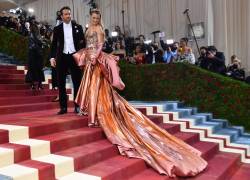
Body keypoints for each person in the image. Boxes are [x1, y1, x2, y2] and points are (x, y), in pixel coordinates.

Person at [73, 9, 207, 178]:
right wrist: (88, 56)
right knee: (94, 88)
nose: (95, 20)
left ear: (100, 19)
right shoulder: (88, 30)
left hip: (96, 60)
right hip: (91, 60)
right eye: (93, 17)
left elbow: (99, 46)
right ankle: (94, 113)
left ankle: (99, 114)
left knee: (98, 88)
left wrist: (94, 58)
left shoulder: (99, 30)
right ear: (90, 18)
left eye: (97, 18)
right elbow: (89, 45)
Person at [50, 6, 85, 115]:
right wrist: (52, 57)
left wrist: (82, 55)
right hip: (62, 57)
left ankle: (77, 107)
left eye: (69, 14)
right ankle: (63, 107)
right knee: (61, 83)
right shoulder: (57, 29)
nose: (68, 16)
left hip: (75, 57)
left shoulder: (78, 27)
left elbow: (83, 42)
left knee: (77, 83)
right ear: (61, 16)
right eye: (66, 14)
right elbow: (54, 44)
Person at [25, 23, 45, 89]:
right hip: (38, 54)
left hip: (32, 54)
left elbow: (30, 45)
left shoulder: (30, 35)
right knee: (39, 69)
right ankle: (39, 85)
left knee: (32, 69)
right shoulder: (38, 35)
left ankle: (33, 84)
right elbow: (41, 43)